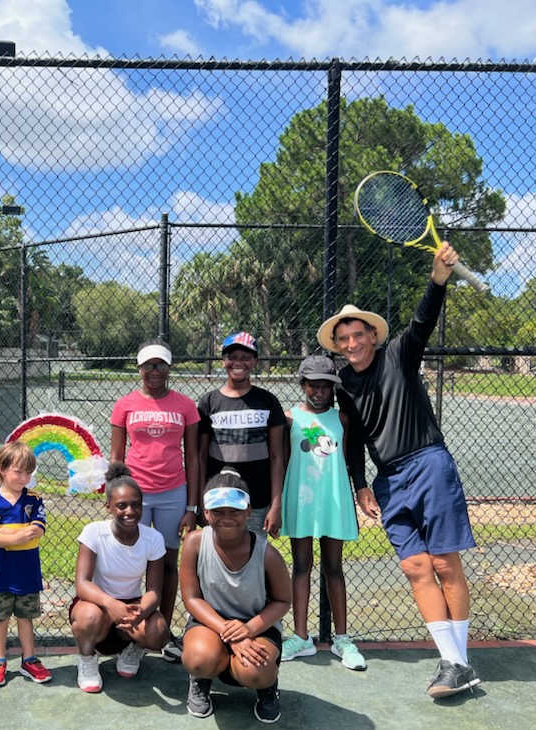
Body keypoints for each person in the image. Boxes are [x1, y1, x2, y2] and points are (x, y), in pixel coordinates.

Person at [318, 241, 480, 700]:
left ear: (373, 336)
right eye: (343, 339)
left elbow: (423, 320)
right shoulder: (342, 385)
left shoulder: (399, 355)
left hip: (429, 463)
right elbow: (351, 439)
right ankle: (455, 662)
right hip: (388, 479)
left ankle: (456, 661)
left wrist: (437, 279)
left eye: (358, 336)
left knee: (446, 563)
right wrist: (360, 484)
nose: (351, 344)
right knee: (414, 566)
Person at [279, 356, 373, 671]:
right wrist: (276, 501)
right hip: (302, 500)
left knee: (334, 567)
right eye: (313, 385)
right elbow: (279, 461)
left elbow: (353, 459)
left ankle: (342, 639)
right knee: (302, 565)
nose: (319, 391)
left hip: (333, 499)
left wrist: (361, 487)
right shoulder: (289, 419)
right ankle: (301, 637)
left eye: (325, 386)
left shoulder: (343, 419)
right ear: (302, 385)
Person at [110, 338, 200, 663]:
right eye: (148, 364)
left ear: (169, 368)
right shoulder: (124, 405)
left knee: (167, 563)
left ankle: (161, 631)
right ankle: (129, 628)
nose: (155, 370)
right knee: (132, 560)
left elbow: (193, 456)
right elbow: (117, 456)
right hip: (135, 494)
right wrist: (114, 494)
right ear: (139, 368)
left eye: (161, 364)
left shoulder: (185, 406)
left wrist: (191, 507)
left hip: (173, 493)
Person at [180, 468, 291, 723]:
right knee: (198, 658)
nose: (226, 518)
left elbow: (283, 601)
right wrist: (231, 634)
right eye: (218, 511)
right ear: (206, 513)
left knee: (256, 671)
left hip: (257, 625)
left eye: (235, 511)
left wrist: (249, 630)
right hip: (209, 622)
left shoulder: (267, 554)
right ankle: (201, 680)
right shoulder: (194, 543)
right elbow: (192, 599)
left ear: (249, 512)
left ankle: (267, 687)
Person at [69, 462, 169, 693]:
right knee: (90, 617)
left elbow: (154, 590)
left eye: (136, 505)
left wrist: (140, 612)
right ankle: (86, 659)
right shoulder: (94, 532)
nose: (130, 512)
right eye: (121, 505)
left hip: (131, 608)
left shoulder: (153, 538)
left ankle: (133, 649)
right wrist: (111, 604)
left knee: (158, 631)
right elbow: (82, 584)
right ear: (108, 507)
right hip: (96, 605)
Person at [198, 331, 286, 539]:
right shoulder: (209, 403)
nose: (239, 362)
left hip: (257, 499)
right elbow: (200, 457)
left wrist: (276, 504)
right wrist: (203, 501)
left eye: (246, 357)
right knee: (217, 554)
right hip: (219, 499)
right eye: (232, 357)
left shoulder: (267, 401)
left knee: (254, 555)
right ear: (223, 361)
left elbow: (276, 457)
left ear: (255, 361)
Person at [0, 441, 51, 687]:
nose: (24, 477)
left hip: (28, 572)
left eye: (28, 472)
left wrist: (13, 537)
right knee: (0, 617)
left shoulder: (34, 500)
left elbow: (38, 528)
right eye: (18, 471)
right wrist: (15, 538)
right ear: (1, 469)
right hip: (2, 573)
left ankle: (28, 659)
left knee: (25, 616)